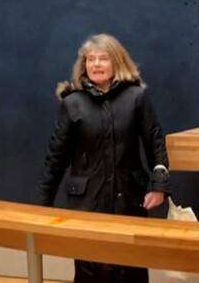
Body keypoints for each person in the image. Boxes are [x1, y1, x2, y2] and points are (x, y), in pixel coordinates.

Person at [38, 33, 170, 282]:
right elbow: (56, 158)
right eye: (90, 59)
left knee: (130, 267)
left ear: (117, 62)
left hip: (129, 199)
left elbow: (155, 141)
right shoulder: (73, 103)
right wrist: (42, 206)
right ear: (84, 65)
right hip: (87, 203)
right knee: (90, 268)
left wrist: (159, 186)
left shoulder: (136, 98)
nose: (96, 64)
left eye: (103, 58)